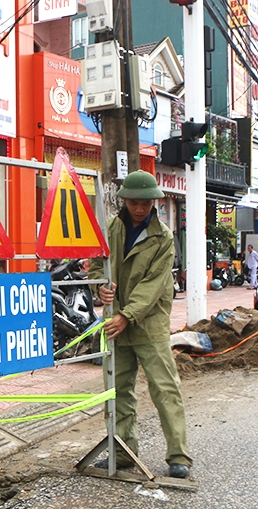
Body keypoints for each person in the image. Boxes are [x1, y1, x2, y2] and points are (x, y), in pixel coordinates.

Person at [88, 170, 192, 479]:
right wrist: (100, 287)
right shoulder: (111, 228)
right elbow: (96, 264)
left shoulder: (164, 237)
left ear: (154, 204)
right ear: (124, 201)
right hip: (117, 322)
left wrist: (127, 315)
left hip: (149, 323)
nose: (140, 209)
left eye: (146, 204)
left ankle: (179, 455)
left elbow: (153, 284)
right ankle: (123, 453)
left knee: (165, 389)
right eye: (135, 203)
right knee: (119, 391)